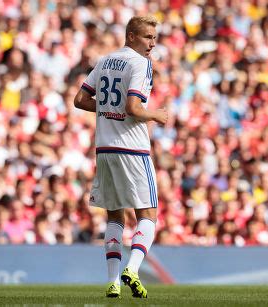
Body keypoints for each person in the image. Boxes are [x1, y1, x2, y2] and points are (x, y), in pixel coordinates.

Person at [74, 15, 168, 299]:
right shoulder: (141, 64)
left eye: (154, 37)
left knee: (115, 216)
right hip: (133, 149)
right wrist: (156, 114)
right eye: (147, 37)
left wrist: (106, 111)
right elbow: (134, 107)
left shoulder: (104, 61)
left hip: (104, 148)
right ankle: (134, 269)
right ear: (130, 36)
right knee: (148, 214)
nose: (152, 43)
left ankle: (113, 281)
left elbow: (80, 100)